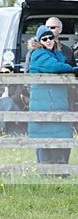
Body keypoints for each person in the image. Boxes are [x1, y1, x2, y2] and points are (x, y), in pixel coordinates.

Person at [27, 25, 78, 165]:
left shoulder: (56, 52)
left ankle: (61, 171)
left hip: (56, 102)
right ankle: (47, 172)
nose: (48, 41)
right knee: (45, 138)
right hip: (44, 103)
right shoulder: (38, 54)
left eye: (50, 37)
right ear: (39, 41)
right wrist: (73, 69)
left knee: (62, 136)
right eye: (44, 39)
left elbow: (60, 63)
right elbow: (55, 67)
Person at [0, 61, 28, 135]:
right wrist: (1, 98)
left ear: (11, 72)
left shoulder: (18, 82)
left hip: (13, 106)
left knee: (7, 102)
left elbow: (18, 95)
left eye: (6, 73)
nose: (4, 75)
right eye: (2, 73)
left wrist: (7, 99)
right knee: (4, 103)